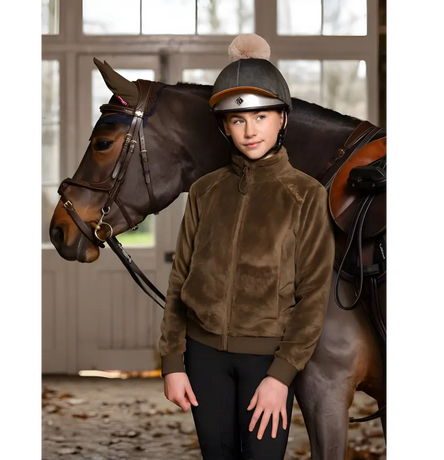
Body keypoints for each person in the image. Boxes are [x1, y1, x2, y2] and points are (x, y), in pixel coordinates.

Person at [159, 33, 335, 460]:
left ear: (283, 120)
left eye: (261, 116)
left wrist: (281, 376)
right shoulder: (203, 191)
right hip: (203, 360)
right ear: (224, 126)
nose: (250, 129)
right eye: (237, 120)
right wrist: (172, 363)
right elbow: (180, 279)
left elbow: (313, 297)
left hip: (266, 361)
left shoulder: (307, 195)